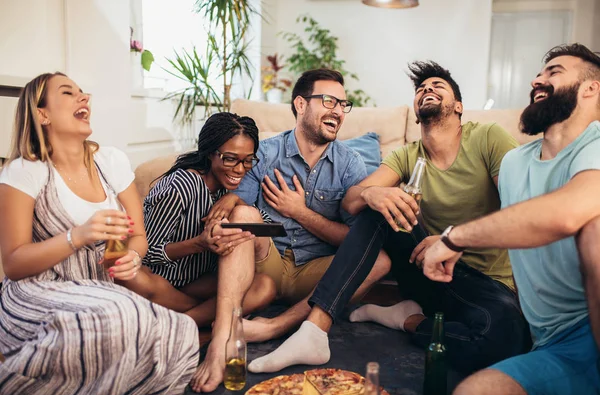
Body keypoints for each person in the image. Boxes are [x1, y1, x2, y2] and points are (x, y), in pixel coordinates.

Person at [248, 61, 531, 375]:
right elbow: (354, 200)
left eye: (438, 86)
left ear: (459, 106)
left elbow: (521, 207)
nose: (428, 90)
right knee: (380, 207)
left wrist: (454, 238)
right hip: (424, 267)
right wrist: (372, 194)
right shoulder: (408, 154)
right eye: (421, 89)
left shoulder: (489, 138)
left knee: (505, 342)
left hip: (485, 282)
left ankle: (407, 320)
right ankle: (314, 331)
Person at [0, 72, 198, 395]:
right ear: (42, 114)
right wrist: (77, 236)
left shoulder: (111, 161)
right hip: (38, 291)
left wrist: (132, 256)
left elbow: (137, 236)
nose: (84, 97)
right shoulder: (24, 170)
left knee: (177, 328)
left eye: (83, 92)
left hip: (99, 286)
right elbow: (13, 263)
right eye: (68, 93)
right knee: (123, 317)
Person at [423, 43, 600, 395]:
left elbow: (566, 214)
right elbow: (518, 228)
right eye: (539, 73)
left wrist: (456, 238)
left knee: (594, 228)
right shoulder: (516, 163)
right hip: (553, 344)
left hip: (590, 330)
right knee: (472, 393)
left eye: (554, 72)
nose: (537, 79)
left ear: (590, 88)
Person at [229, 68, 391, 373]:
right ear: (301, 105)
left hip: (317, 274)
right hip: (268, 265)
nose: (339, 111)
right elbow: (238, 210)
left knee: (380, 261)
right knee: (242, 215)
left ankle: (276, 327)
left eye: (343, 105)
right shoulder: (265, 152)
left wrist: (300, 211)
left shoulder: (350, 165)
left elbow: (357, 243)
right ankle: (227, 318)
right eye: (329, 101)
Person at [137, 112, 276, 329]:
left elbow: (267, 226)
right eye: (230, 159)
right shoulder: (180, 187)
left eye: (248, 161)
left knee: (264, 286)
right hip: (163, 284)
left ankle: (185, 324)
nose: (240, 170)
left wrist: (237, 202)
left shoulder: (231, 190)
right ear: (210, 153)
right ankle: (201, 325)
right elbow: (146, 253)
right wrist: (199, 244)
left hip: (200, 283)